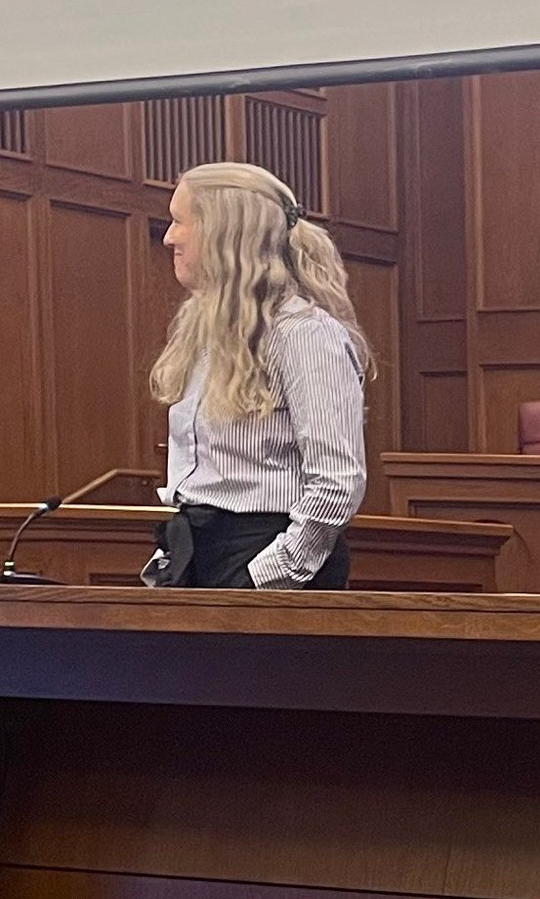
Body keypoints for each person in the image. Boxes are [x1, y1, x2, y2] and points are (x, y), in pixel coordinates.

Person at [144, 162, 372, 590]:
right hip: (203, 551)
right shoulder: (208, 332)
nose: (169, 237)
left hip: (265, 559)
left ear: (225, 233)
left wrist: (265, 579)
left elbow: (337, 482)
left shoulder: (304, 334)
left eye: (179, 221)